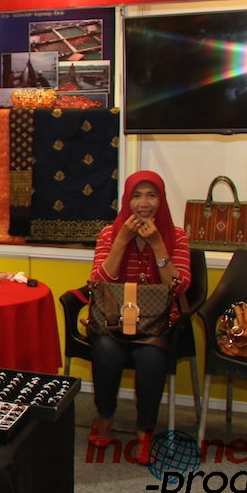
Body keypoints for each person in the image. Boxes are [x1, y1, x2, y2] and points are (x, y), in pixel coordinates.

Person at [87, 170, 191, 463]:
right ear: (126, 200)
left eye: (151, 195)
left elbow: (179, 287)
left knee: (151, 357)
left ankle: (145, 430)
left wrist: (158, 244)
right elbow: (98, 282)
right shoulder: (108, 234)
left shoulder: (177, 236)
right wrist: (121, 241)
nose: (144, 203)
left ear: (161, 199)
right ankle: (105, 417)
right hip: (113, 320)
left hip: (157, 324)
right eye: (137, 196)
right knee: (106, 349)